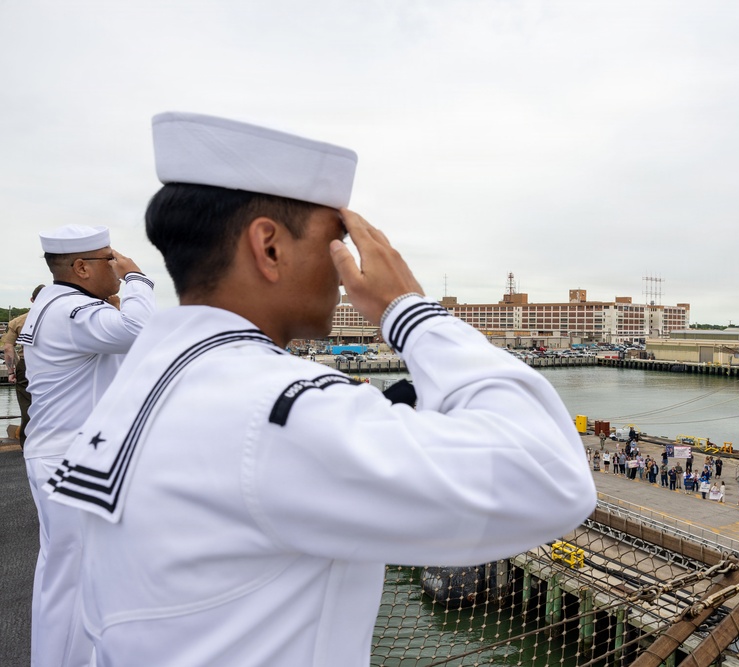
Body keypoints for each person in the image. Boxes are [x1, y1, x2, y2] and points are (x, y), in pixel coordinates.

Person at [46, 112, 597, 666]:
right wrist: (412, 313)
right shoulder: (269, 406)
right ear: (269, 247)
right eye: (338, 244)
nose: (346, 271)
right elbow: (551, 477)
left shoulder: (144, 383)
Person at [21, 224, 155, 667]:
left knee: (71, 576)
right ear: (81, 267)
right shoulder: (71, 312)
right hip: (71, 458)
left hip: (63, 453)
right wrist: (137, 279)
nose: (116, 265)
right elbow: (139, 327)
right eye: (108, 259)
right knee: (74, 580)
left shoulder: (54, 304)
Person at [1, 284, 46, 447]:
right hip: (53, 364)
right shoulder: (60, 318)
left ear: (32, 300)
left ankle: (28, 445)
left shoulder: (18, 321)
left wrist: (11, 371)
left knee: (27, 406)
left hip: (27, 364)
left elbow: (7, 347)